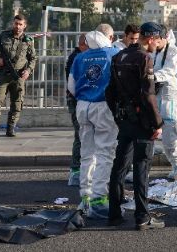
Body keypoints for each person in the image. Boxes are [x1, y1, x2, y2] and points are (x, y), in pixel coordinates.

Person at [105, 29, 165, 230]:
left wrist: (117, 115)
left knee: (120, 165)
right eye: (157, 40)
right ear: (150, 39)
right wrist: (158, 123)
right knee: (141, 166)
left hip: (125, 120)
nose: (157, 44)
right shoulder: (144, 58)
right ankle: (142, 216)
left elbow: (109, 91)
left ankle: (114, 213)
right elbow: (149, 95)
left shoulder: (119, 56)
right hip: (142, 121)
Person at [68, 24, 120, 219]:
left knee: (87, 154)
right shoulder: (114, 54)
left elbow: (71, 87)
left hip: (83, 105)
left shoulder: (80, 57)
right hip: (104, 105)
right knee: (105, 153)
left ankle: (85, 197)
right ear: (110, 37)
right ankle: (99, 199)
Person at [0, 14, 38, 138]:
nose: (17, 26)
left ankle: (11, 127)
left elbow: (33, 58)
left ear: (24, 26)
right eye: (16, 23)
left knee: (17, 102)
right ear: (13, 23)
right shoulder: (4, 35)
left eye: (20, 24)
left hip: (18, 76)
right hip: (3, 75)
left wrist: (28, 71)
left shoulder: (28, 41)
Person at [143, 22, 177, 180]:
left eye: (153, 38)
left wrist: (151, 77)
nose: (150, 42)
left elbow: (169, 71)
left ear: (161, 37)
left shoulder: (173, 52)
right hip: (155, 95)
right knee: (149, 134)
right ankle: (142, 169)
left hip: (170, 97)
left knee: (170, 136)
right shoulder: (152, 52)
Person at [65, 33, 87, 186]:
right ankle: (75, 170)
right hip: (76, 100)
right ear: (81, 45)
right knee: (79, 135)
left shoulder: (80, 57)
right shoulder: (76, 58)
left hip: (80, 100)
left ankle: (80, 169)